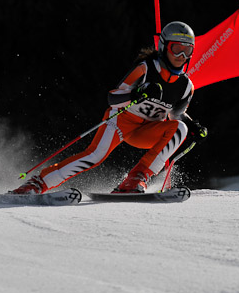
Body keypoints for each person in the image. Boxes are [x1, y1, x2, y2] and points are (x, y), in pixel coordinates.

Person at [12, 21, 207, 195]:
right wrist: (135, 95)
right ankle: (38, 183)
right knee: (94, 156)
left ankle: (136, 178)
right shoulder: (145, 69)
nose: (182, 56)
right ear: (164, 47)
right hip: (121, 121)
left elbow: (176, 115)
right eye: (176, 49)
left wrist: (193, 125)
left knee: (181, 129)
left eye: (187, 50)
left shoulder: (186, 87)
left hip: (146, 131)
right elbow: (112, 98)